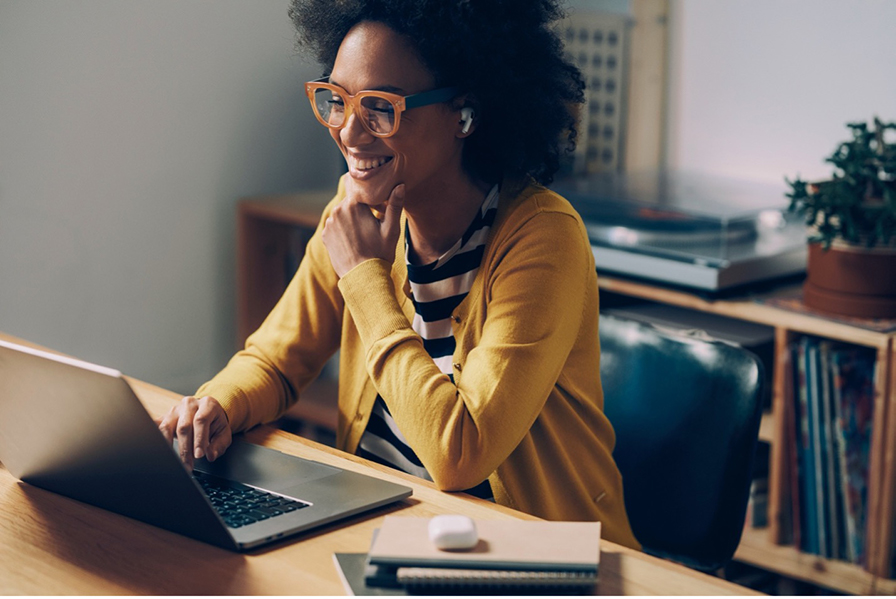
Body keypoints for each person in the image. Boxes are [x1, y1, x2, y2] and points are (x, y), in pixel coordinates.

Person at [158, 0, 640, 549]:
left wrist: (365, 280)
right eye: (336, 101)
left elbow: (458, 453)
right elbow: (276, 360)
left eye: (381, 109)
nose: (350, 135)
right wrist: (219, 404)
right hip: (384, 531)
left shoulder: (543, 238)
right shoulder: (354, 211)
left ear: (464, 114)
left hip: (533, 554)